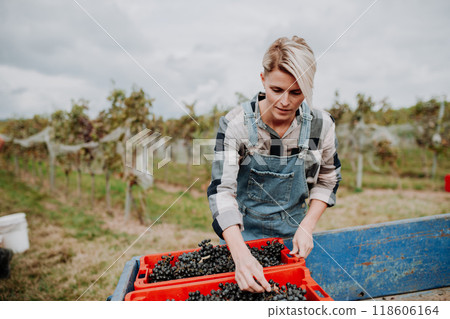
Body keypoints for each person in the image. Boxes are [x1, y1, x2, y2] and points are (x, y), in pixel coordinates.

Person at [207, 36, 341, 293]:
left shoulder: (320, 125)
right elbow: (221, 191)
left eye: (296, 92)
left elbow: (327, 179)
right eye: (277, 90)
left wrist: (307, 226)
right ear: (262, 79)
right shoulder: (236, 124)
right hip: (241, 236)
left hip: (294, 240)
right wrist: (241, 256)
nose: (285, 102)